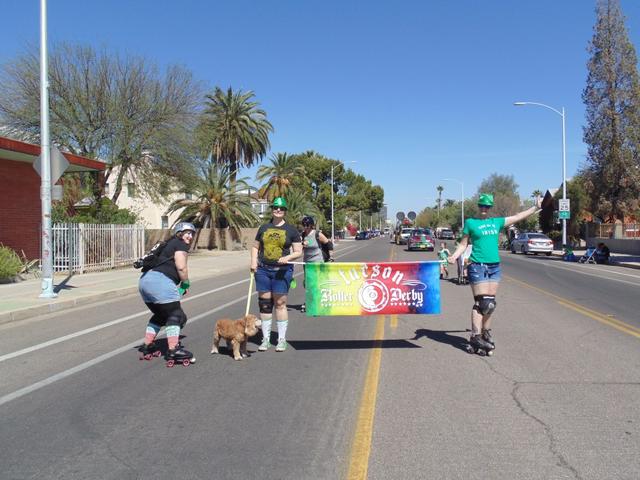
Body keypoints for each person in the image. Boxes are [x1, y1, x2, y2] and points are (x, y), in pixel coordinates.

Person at [448, 193, 542, 354]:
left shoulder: (496, 222)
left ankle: (485, 332)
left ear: (490, 208)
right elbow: (463, 244)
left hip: (494, 267)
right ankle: (475, 336)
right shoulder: (471, 223)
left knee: (490, 305)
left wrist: (536, 207)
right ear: (478, 206)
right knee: (482, 303)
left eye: (487, 206)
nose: (484, 209)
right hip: (478, 265)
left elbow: (518, 216)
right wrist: (454, 256)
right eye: (482, 206)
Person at [138, 222, 196, 364]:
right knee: (177, 315)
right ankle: (173, 349)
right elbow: (181, 267)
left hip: (145, 281)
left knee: (160, 315)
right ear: (179, 234)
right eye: (187, 233)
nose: (190, 236)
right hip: (160, 281)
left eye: (192, 233)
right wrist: (186, 282)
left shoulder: (169, 244)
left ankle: (148, 345)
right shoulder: (180, 244)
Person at [251, 197, 303, 352]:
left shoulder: (292, 230)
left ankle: (281, 339)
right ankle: (265, 339)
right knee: (265, 305)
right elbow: (255, 247)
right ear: (272, 209)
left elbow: (298, 251)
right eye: (275, 207)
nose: (278, 210)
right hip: (263, 270)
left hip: (282, 271)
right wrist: (253, 261)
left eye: (281, 208)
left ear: (285, 211)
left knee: (280, 304)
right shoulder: (263, 227)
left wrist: (287, 257)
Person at [300, 215, 334, 312]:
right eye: (304, 225)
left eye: (307, 225)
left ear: (311, 225)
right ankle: (310, 302)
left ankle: (320, 302)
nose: (305, 227)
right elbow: (298, 249)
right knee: (308, 283)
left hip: (318, 261)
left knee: (318, 282)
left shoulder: (317, 234)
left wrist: (331, 257)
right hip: (307, 263)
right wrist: (302, 244)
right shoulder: (302, 235)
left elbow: (328, 244)